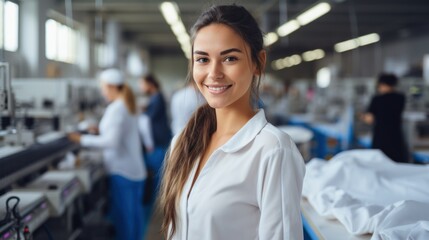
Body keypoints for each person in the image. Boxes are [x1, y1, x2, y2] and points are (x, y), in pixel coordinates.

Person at [159, 5, 306, 240]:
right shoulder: (183, 143)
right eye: (203, 59)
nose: (214, 73)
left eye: (230, 58)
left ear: (258, 62)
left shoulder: (272, 150)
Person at [68, 68, 146, 240]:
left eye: (103, 87)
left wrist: (81, 139)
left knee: (125, 220)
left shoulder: (117, 108)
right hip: (134, 169)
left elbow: (111, 142)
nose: (102, 92)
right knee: (134, 218)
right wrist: (100, 129)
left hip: (123, 171)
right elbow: (118, 133)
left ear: (111, 87)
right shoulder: (126, 104)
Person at [139, 73, 172, 235]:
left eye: (142, 84)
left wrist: (149, 145)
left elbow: (146, 121)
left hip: (158, 144)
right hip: (160, 142)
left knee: (158, 178)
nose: (141, 87)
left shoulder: (156, 98)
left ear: (150, 84)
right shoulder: (156, 97)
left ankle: (159, 212)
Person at [362, 73, 408, 163]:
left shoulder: (377, 99)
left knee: (380, 161)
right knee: (396, 161)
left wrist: (363, 116)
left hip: (381, 136)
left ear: (382, 84)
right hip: (396, 135)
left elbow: (369, 119)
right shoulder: (400, 98)